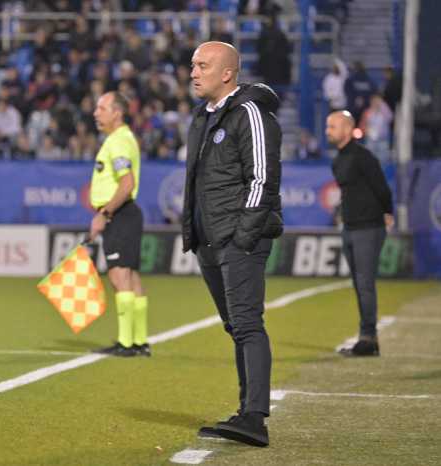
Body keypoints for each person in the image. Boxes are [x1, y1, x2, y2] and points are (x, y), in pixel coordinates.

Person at [182, 42, 283, 447]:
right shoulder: (201, 117)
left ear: (227, 73)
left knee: (246, 324)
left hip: (239, 240)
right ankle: (245, 412)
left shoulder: (251, 114)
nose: (193, 72)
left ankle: (255, 418)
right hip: (210, 241)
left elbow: (262, 179)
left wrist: (244, 235)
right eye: (192, 64)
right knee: (235, 326)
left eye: (202, 65)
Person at [325, 110, 394, 357]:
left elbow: (382, 188)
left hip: (369, 227)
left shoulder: (363, 157)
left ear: (346, 128)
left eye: (332, 126)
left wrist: (388, 212)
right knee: (358, 283)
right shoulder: (338, 160)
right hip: (350, 228)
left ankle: (367, 339)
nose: (327, 131)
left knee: (365, 284)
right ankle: (368, 337)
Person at [89, 91, 149, 358]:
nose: (95, 113)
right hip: (127, 213)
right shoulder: (123, 139)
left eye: (101, 108)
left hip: (119, 213)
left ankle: (126, 343)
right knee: (131, 277)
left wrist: (104, 214)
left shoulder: (118, 142)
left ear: (117, 112)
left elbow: (127, 184)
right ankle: (138, 341)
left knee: (118, 275)